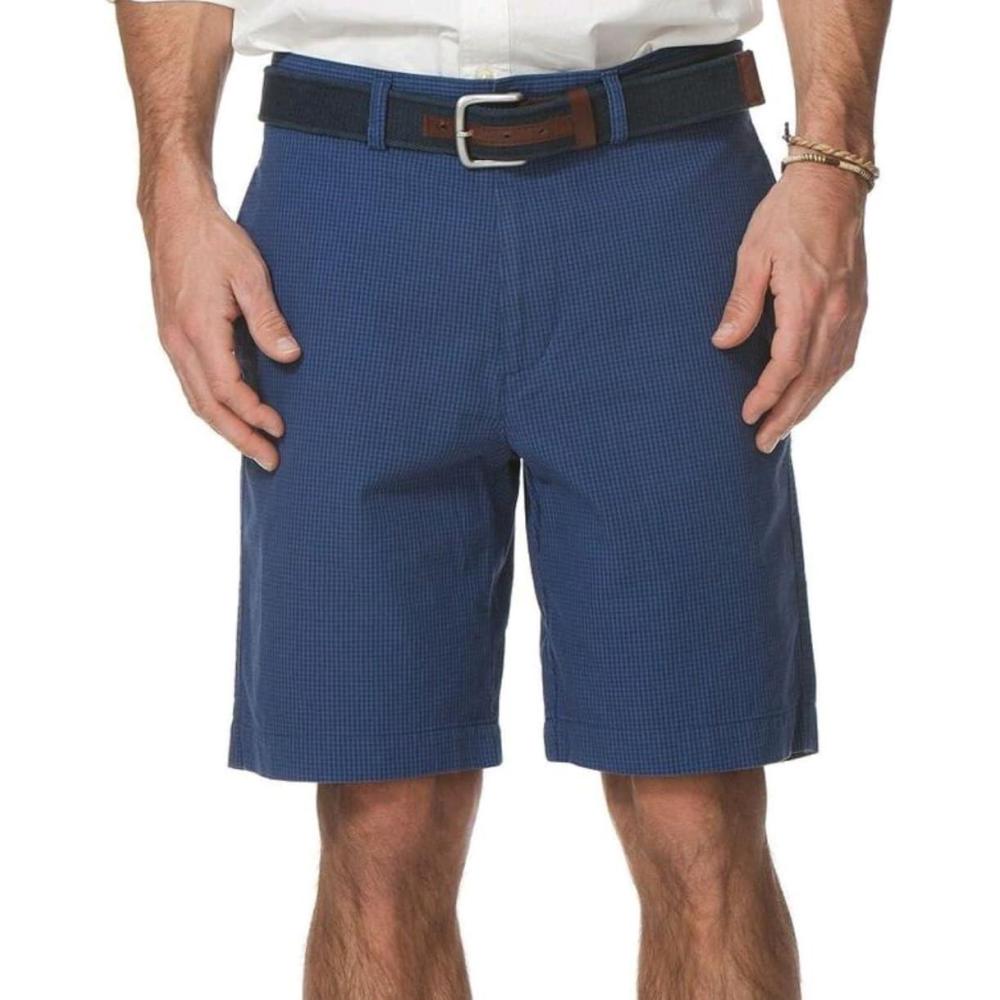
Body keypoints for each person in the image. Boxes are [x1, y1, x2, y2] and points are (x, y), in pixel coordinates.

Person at [114, 1, 891, 996]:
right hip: (346, 206)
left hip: (663, 189)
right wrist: (170, 184)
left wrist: (832, 165)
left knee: (696, 803)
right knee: (379, 819)